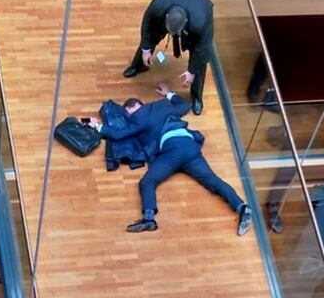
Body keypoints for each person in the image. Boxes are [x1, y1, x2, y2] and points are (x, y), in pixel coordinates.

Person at [88, 82, 252, 236]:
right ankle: (241, 207)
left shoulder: (139, 116)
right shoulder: (163, 106)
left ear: (133, 108)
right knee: (212, 180)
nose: (129, 117)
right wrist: (169, 94)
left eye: (128, 113)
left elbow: (118, 134)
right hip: (190, 146)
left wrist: (98, 126)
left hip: (172, 151)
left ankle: (149, 219)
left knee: (147, 182)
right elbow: (184, 106)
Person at [122, 0, 214, 116]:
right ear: (166, 16)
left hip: (201, 8)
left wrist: (191, 71)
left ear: (186, 22)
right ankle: (138, 66)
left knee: (201, 61)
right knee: (148, 41)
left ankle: (197, 97)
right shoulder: (157, 7)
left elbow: (201, 49)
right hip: (175, 5)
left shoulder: (199, 22)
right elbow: (147, 25)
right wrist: (146, 49)